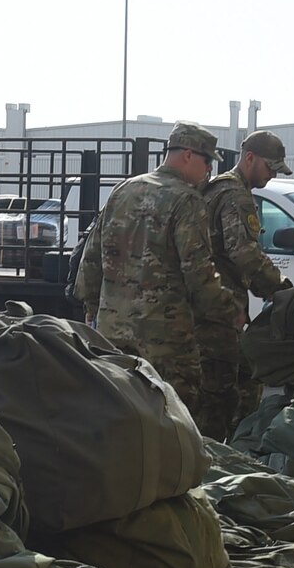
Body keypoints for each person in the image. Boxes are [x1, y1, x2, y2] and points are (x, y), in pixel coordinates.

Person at [74, 122, 241, 411]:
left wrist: (91, 307)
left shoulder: (123, 190)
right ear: (188, 155)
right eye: (206, 162)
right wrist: (229, 312)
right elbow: (199, 273)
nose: (208, 171)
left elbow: (92, 256)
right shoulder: (186, 200)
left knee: (119, 411)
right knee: (173, 417)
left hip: (113, 333)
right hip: (165, 341)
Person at [199, 129, 292, 439]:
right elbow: (245, 255)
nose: (271, 176)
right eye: (269, 168)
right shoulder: (236, 195)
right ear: (249, 158)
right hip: (220, 311)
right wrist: (283, 292)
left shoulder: (217, 189)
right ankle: (232, 455)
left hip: (210, 304)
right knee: (236, 389)